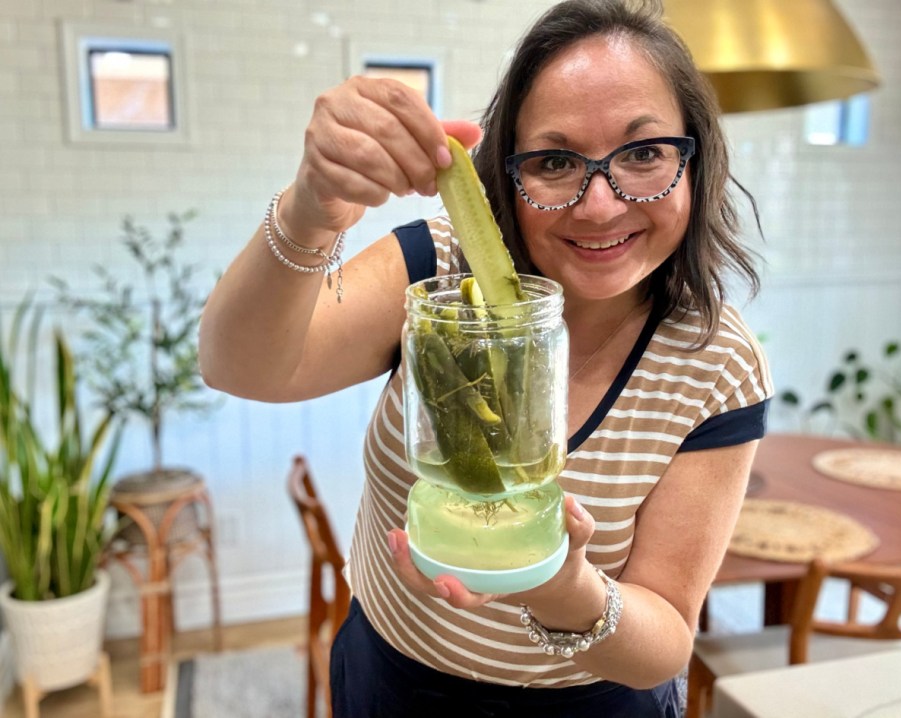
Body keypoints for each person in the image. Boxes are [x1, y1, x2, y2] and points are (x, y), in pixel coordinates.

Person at [199, 0, 772, 715]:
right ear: (509, 172)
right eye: (556, 160)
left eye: (644, 152)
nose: (600, 205)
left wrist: (559, 585)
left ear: (696, 159)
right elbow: (239, 366)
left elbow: (664, 642)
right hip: (394, 680)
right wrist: (313, 205)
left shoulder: (715, 359)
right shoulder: (440, 275)